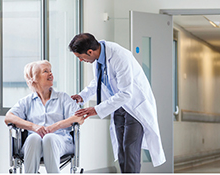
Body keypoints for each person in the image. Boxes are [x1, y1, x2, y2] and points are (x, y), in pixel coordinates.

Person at [68, 33, 166, 173]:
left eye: (80, 57)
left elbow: (126, 93)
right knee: (121, 150)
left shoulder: (119, 56)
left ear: (90, 52)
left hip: (134, 108)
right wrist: (82, 96)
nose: (80, 60)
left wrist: (96, 109)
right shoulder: (97, 58)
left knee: (129, 148)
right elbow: (97, 81)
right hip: (118, 107)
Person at [4, 60, 84, 173]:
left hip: (61, 142)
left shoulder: (63, 98)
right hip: (34, 144)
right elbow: (8, 117)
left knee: (49, 137)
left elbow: (79, 117)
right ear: (34, 78)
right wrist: (33, 127)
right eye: (45, 71)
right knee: (33, 137)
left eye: (51, 71)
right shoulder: (27, 101)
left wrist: (54, 127)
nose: (51, 74)